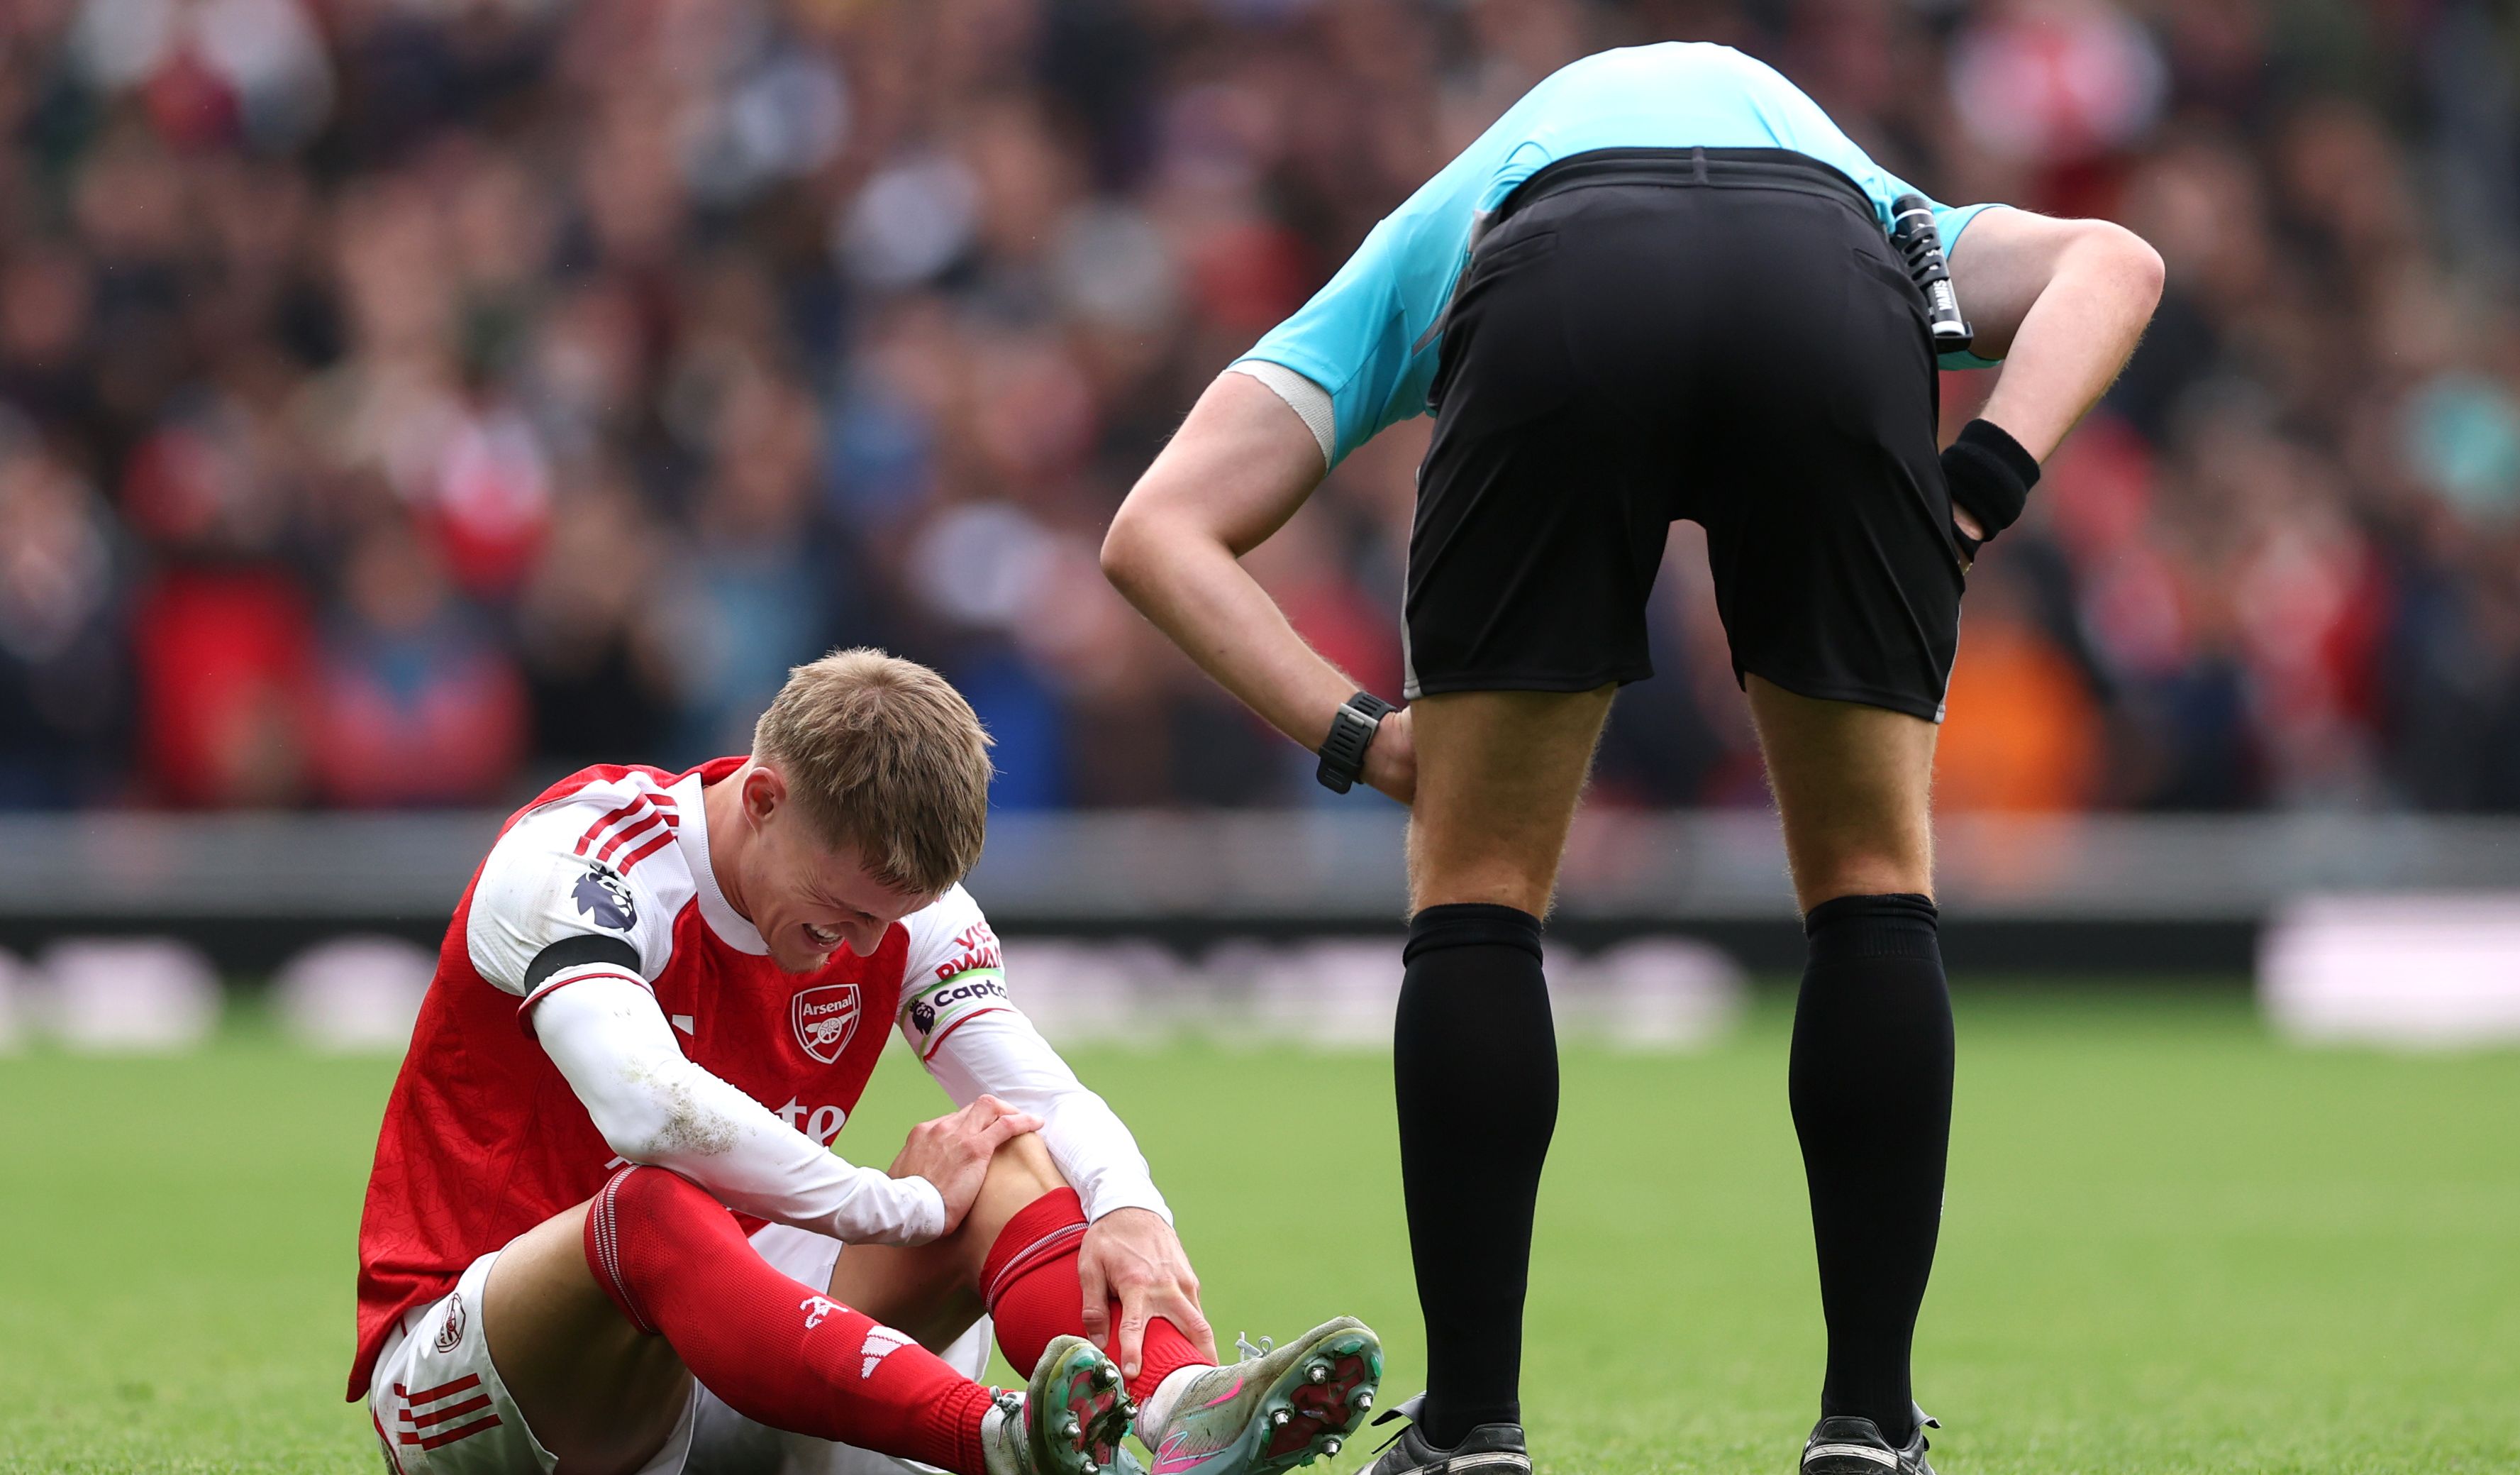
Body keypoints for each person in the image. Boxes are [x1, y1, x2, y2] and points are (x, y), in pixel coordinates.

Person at [1100, 41, 2163, 1475]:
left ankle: (1473, 1427)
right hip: (1822, 284)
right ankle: (1870, 1422)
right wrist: (1974, 494)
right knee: (1867, 880)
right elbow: (2118, 264)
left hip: (1554, 283)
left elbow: (1152, 532)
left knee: (1476, 886)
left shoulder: (1427, 235)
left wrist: (1363, 734)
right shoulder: (1881, 201)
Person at [350, 649, 1385, 1475]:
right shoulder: (579, 862)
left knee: (1008, 1154)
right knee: (657, 1205)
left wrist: (1131, 1211)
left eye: (884, 922)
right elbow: (649, 1114)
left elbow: (1033, 1088)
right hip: (491, 1384)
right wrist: (889, 1206)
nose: (856, 948)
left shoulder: (897, 907)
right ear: (761, 799)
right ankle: (993, 1437)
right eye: (843, 913)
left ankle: (1176, 1413)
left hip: (736, 1351)